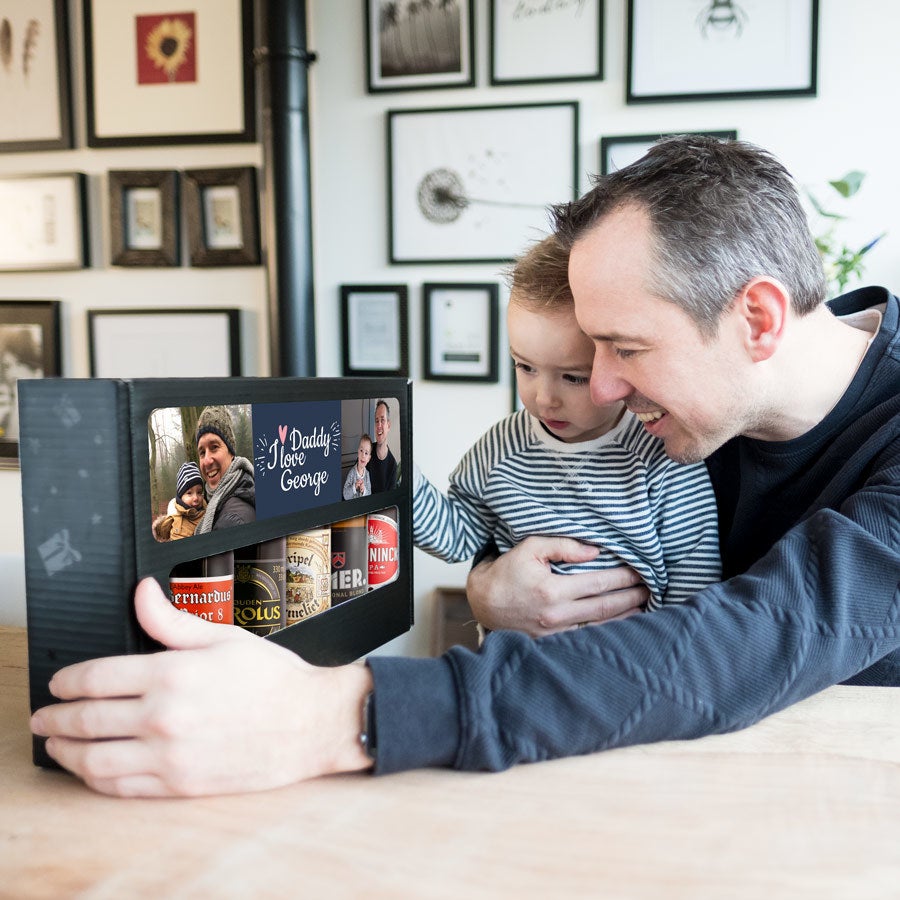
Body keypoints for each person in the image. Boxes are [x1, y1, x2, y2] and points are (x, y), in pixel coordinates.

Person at [30, 137, 900, 798]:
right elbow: (497, 541)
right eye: (584, 350)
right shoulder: (679, 416)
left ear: (758, 317)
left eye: (625, 348)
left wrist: (339, 715)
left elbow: (755, 637)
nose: (596, 387)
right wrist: (487, 589)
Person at [413, 234, 720, 613]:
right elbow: (456, 537)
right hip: (521, 660)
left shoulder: (661, 453)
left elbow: (695, 588)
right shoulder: (499, 448)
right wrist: (401, 480)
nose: (544, 398)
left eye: (573, 377)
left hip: (630, 662)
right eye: (525, 367)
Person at [194, 405, 256, 533]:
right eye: (202, 452)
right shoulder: (211, 503)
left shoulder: (232, 522)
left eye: (214, 447)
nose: (206, 460)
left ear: (231, 451)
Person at [152, 461, 207, 541]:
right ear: (181, 497)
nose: (196, 498)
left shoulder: (208, 513)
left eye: (199, 492)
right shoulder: (173, 518)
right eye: (189, 493)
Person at [367, 399, 397, 492]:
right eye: (376, 421)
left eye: (382, 420)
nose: (379, 425)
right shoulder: (366, 451)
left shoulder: (392, 465)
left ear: (388, 425)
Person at [343, 433, 373, 500]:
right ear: (358, 453)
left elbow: (369, 493)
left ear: (368, 459)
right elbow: (345, 495)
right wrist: (354, 487)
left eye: (366, 453)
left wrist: (363, 490)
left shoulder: (367, 474)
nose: (363, 455)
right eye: (361, 451)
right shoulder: (352, 473)